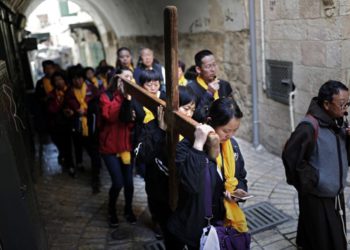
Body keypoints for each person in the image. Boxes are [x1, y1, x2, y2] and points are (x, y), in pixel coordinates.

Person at [167, 97, 248, 249]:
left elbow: (241, 176)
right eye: (226, 130)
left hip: (223, 220)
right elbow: (190, 184)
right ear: (211, 121)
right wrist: (198, 145)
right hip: (195, 224)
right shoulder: (187, 147)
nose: (230, 135)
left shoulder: (232, 147)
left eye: (234, 130)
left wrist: (238, 191)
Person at [282, 80, 349, 250]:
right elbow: (290, 157)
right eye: (341, 104)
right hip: (317, 196)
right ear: (326, 104)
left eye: (347, 103)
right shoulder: (309, 127)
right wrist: (314, 181)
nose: (345, 108)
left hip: (334, 193)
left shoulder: (338, 123)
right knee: (326, 241)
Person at [135, 86, 196, 244]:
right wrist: (160, 131)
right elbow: (142, 157)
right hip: (159, 193)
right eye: (186, 108)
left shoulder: (192, 131)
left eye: (192, 109)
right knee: (168, 231)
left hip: (183, 195)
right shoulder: (151, 127)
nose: (189, 114)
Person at [99, 68, 137, 227]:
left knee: (129, 183)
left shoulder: (134, 97)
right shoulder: (106, 96)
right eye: (124, 77)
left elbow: (134, 121)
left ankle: (128, 210)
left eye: (130, 77)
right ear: (117, 80)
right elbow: (110, 116)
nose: (128, 80)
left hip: (126, 146)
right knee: (118, 182)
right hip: (109, 147)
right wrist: (122, 98)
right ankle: (111, 210)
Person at [65, 66, 102, 193]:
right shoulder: (69, 92)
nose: (77, 82)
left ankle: (95, 178)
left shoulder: (92, 89)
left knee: (95, 153)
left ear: (83, 78)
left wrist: (86, 110)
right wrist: (71, 112)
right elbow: (67, 107)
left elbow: (99, 105)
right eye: (74, 79)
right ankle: (89, 168)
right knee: (87, 150)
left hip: (93, 126)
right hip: (79, 128)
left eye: (79, 78)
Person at [187, 49, 233, 122]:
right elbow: (196, 117)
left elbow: (232, 110)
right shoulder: (191, 88)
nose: (213, 69)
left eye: (214, 65)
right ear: (198, 69)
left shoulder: (224, 85)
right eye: (208, 66)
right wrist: (209, 93)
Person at [46, 71, 74, 170]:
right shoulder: (52, 95)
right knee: (65, 145)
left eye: (60, 79)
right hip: (60, 124)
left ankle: (76, 163)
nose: (58, 82)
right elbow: (51, 109)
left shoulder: (71, 91)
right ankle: (69, 164)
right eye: (56, 80)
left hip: (73, 122)